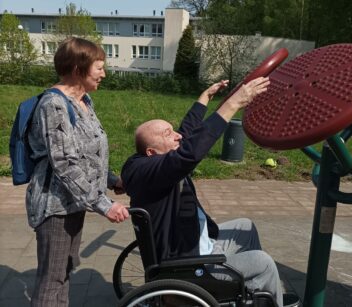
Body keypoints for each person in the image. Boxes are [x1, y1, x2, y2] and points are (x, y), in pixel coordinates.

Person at [121, 78, 285, 306]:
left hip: (197, 242)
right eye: (168, 134)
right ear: (152, 152)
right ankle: (253, 291)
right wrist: (233, 104)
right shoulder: (155, 169)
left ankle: (246, 293)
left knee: (245, 227)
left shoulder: (150, 163)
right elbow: (189, 153)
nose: (177, 135)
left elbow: (187, 133)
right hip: (188, 266)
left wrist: (204, 98)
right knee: (263, 263)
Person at [27, 37, 129, 306]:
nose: (104, 74)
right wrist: (103, 204)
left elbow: (88, 152)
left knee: (64, 272)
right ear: (77, 69)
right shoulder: (55, 105)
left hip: (74, 203)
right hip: (56, 207)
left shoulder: (84, 102)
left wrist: (111, 179)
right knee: (52, 280)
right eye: (99, 67)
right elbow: (65, 163)